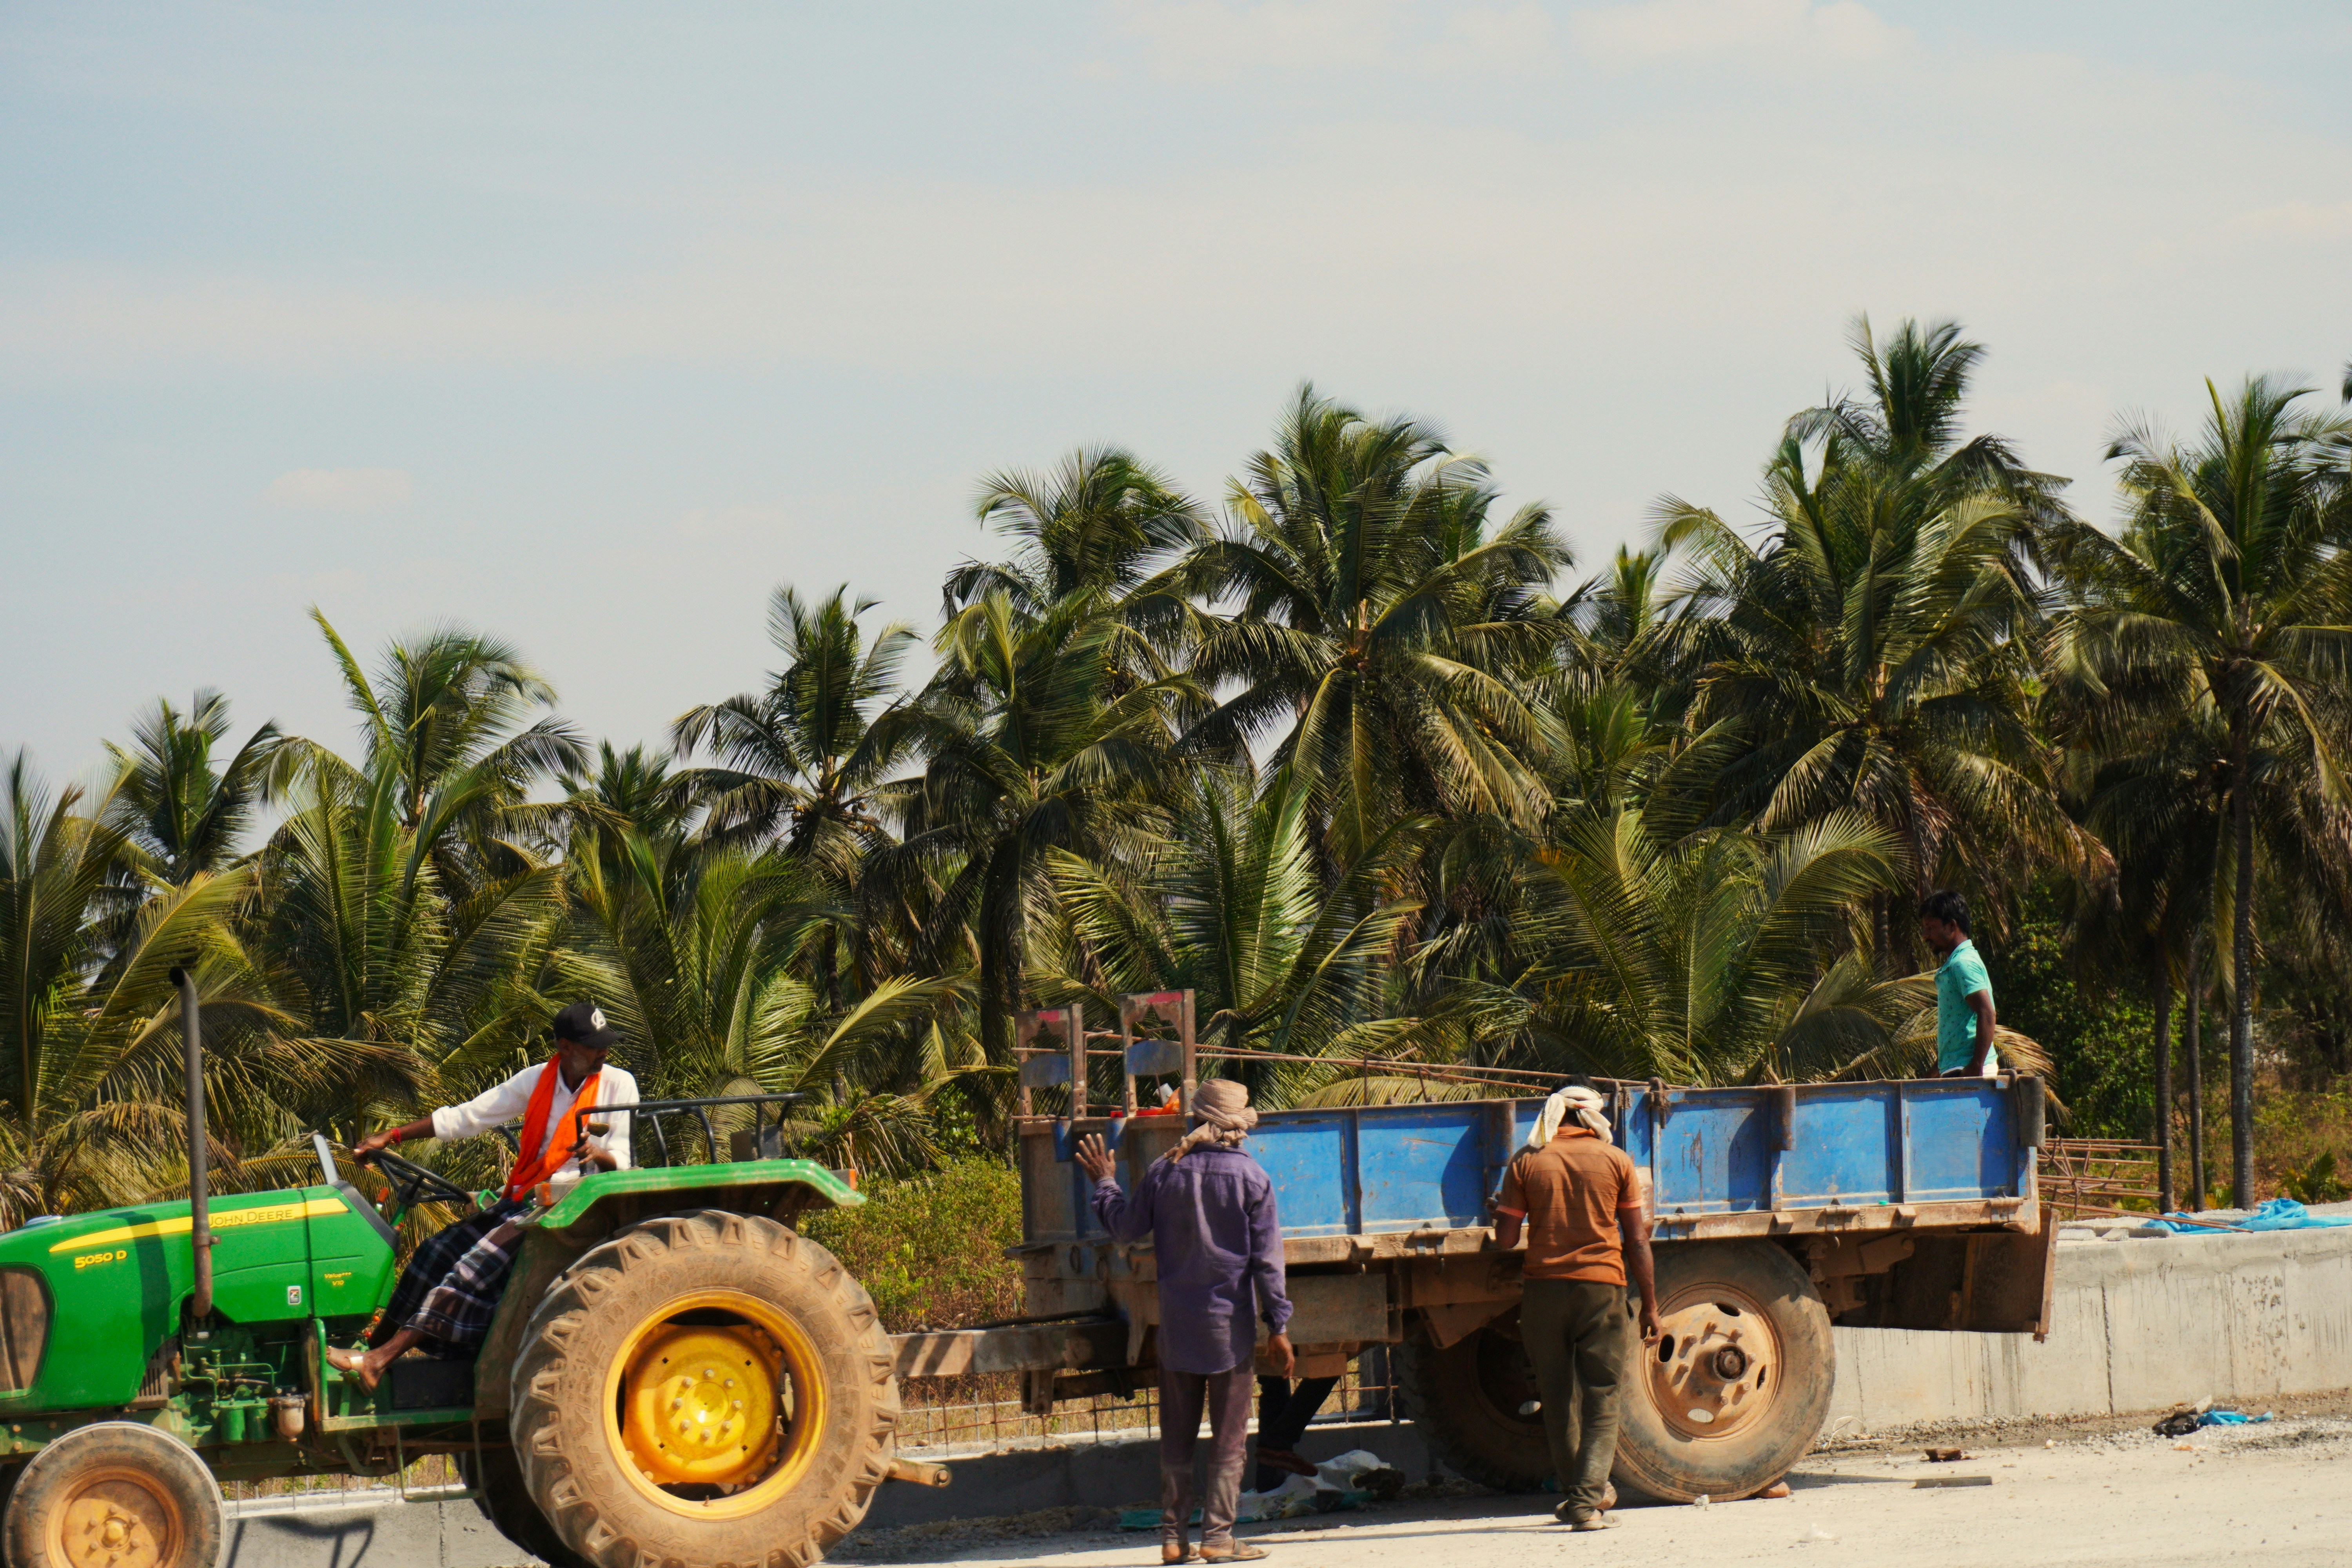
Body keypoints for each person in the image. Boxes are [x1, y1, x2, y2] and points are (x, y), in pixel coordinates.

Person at [326, 1000, 639, 1392]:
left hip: (570, 1205)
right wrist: (394, 1136)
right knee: (433, 1253)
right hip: (525, 1197)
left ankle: (378, 1360)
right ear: (565, 1047)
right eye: (594, 1045)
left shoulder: (618, 1084)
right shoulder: (537, 1080)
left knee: (472, 1266)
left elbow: (622, 1161)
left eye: (604, 1044)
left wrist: (599, 1153)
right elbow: (468, 1116)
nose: (604, 1052)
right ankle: (369, 1350)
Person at [1076, 1080, 1293, 1565]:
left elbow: (1126, 1229)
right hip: (1229, 1333)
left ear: (1195, 1119)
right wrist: (1278, 1326)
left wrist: (1106, 1182)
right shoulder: (1253, 1179)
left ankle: (1174, 1539)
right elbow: (1268, 1264)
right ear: (1237, 1127)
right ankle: (1218, 1537)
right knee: (1229, 1438)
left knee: (1176, 1435)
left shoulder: (1164, 1171)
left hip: (1178, 1330)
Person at [1491, 1083, 1661, 1531]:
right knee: (1603, 1398)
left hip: (1544, 1292)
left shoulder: (1527, 1160)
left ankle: (1577, 1498)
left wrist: (1501, 1211)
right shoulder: (1616, 1161)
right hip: (1602, 1289)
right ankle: (1587, 1503)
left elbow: (1506, 1240)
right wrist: (1651, 1306)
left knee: (1558, 1398)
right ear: (1591, 1118)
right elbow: (1637, 1239)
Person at [1920, 889, 1998, 1078]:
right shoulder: (1957, 963)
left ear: (1951, 926)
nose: (1925, 936)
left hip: (1967, 1071)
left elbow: (1987, 1013)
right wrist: (1937, 1069)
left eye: (1931, 928)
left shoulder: (1962, 964)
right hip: (1958, 1068)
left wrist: (1976, 1067)